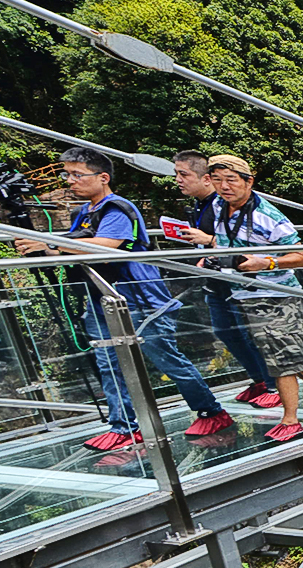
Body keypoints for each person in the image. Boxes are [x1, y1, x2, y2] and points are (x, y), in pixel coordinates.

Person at [17, 146, 235, 456]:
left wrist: (52, 242)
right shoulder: (83, 214)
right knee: (109, 363)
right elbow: (69, 250)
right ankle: (124, 428)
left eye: (77, 174)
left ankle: (211, 412)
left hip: (141, 299)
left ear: (102, 177)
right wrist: (42, 248)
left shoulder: (117, 208)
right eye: (67, 175)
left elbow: (107, 246)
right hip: (102, 299)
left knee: (165, 358)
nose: (70, 181)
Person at [206, 154, 303, 442]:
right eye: (217, 180)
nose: (224, 186)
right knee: (287, 352)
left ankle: (290, 419)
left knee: (282, 358)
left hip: (276, 295)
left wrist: (266, 263)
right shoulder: (219, 206)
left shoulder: (267, 215)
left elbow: (302, 257)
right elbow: (225, 242)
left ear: (249, 182)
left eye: (231, 180)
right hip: (245, 293)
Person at [173, 149, 273, 407]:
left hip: (238, 280)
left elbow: (251, 242)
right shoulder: (207, 206)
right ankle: (261, 380)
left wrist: (209, 242)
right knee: (227, 331)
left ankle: (272, 385)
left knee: (252, 332)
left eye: (184, 174)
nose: (178, 180)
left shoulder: (230, 206)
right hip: (216, 279)